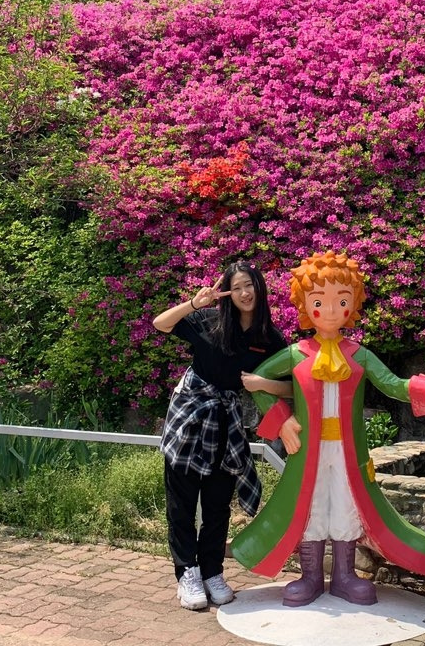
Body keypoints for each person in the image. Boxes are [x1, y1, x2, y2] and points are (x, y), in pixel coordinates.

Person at [230, 250, 425, 607]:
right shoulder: (295, 353)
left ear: (352, 304)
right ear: (305, 305)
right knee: (309, 504)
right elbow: (256, 381)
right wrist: (283, 421)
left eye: (341, 301)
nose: (331, 310)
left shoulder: (359, 354)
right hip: (307, 451)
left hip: (348, 452)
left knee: (345, 503)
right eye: (319, 302)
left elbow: (393, 384)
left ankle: (344, 575)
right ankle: (310, 577)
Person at [154, 260, 290, 611]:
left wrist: (262, 383)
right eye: (237, 287)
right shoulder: (208, 320)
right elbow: (160, 324)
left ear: (260, 288)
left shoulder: (269, 338)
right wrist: (194, 303)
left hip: (226, 422)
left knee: (218, 503)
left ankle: (212, 571)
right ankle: (187, 572)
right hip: (190, 415)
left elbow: (292, 386)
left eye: (250, 285)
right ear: (227, 292)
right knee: (182, 503)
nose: (245, 293)